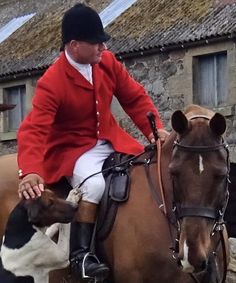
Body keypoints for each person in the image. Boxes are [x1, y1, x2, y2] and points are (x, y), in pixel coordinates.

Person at [17, 3, 169, 281]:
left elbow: (134, 97)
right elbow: (34, 129)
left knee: (142, 171)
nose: (102, 48)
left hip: (111, 140)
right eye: (96, 43)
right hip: (73, 151)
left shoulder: (107, 62)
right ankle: (81, 256)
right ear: (74, 46)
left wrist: (154, 130)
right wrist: (30, 170)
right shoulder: (52, 82)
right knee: (95, 185)